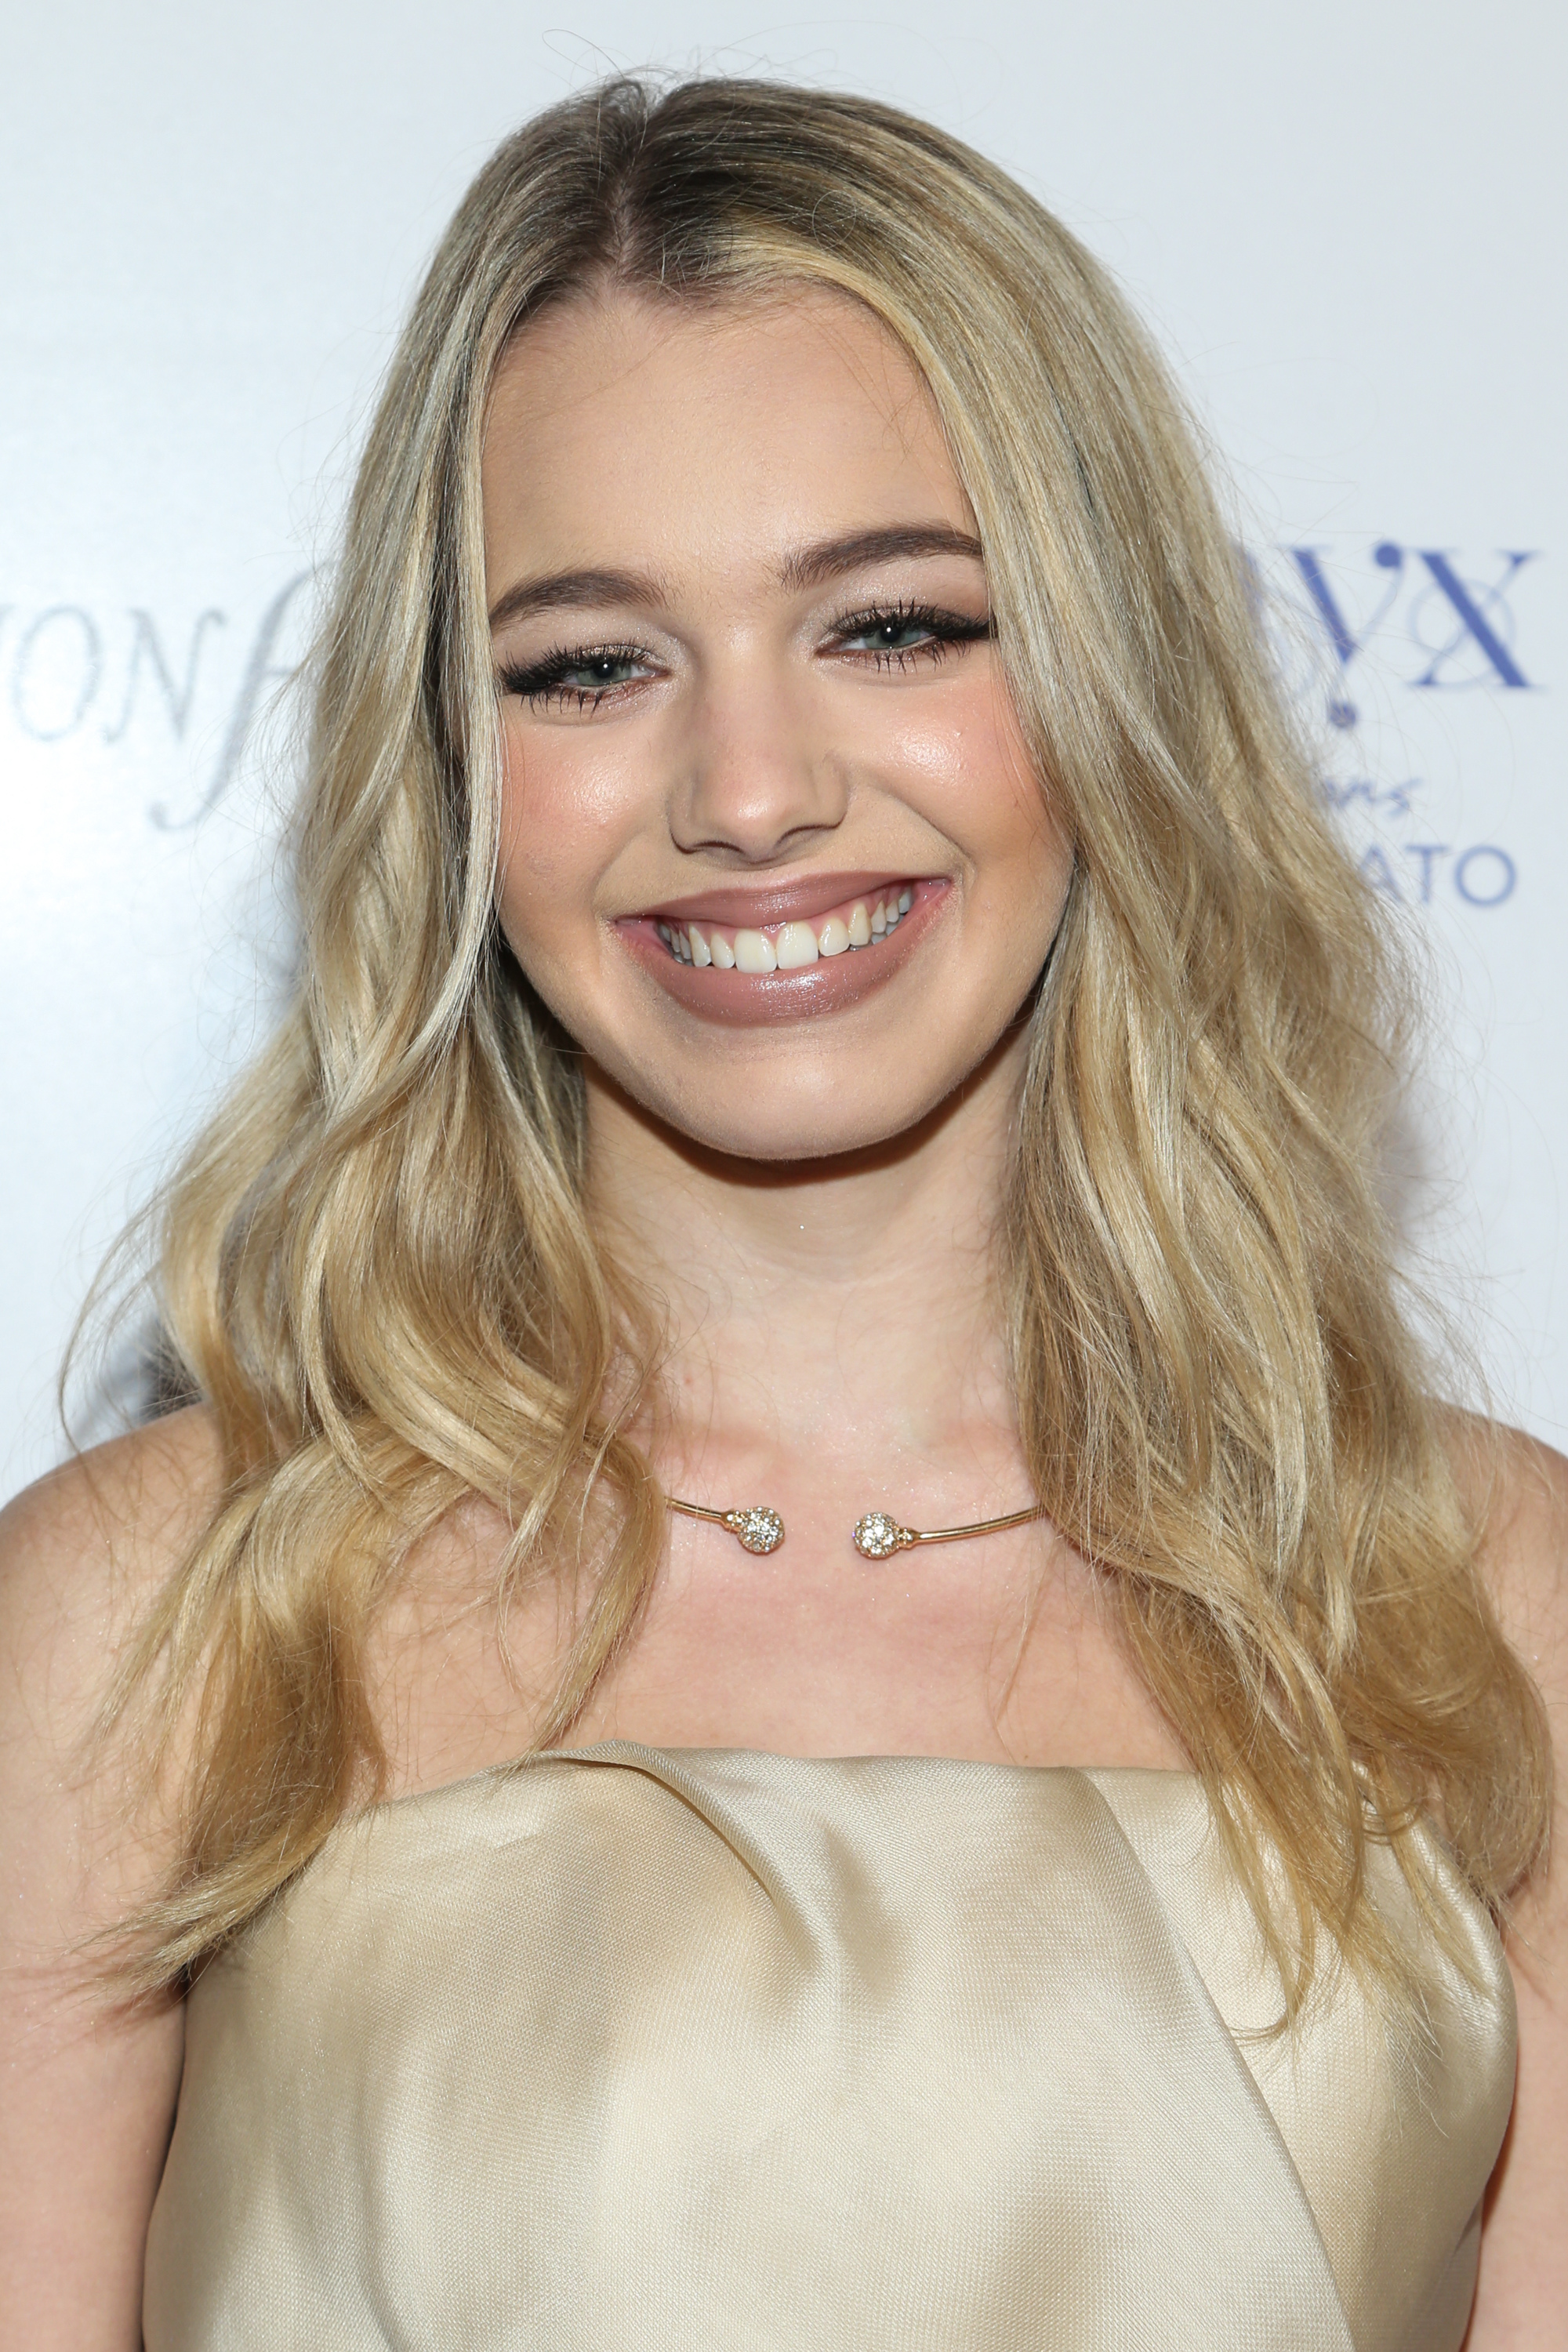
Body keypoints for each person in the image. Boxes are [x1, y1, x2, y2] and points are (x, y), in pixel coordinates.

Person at [1, 74, 1563, 2350]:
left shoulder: (1480, 1608)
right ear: (455, 767)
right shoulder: (149, 1621)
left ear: (1112, 674)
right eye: (591, 665)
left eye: (895, 627)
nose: (749, 794)